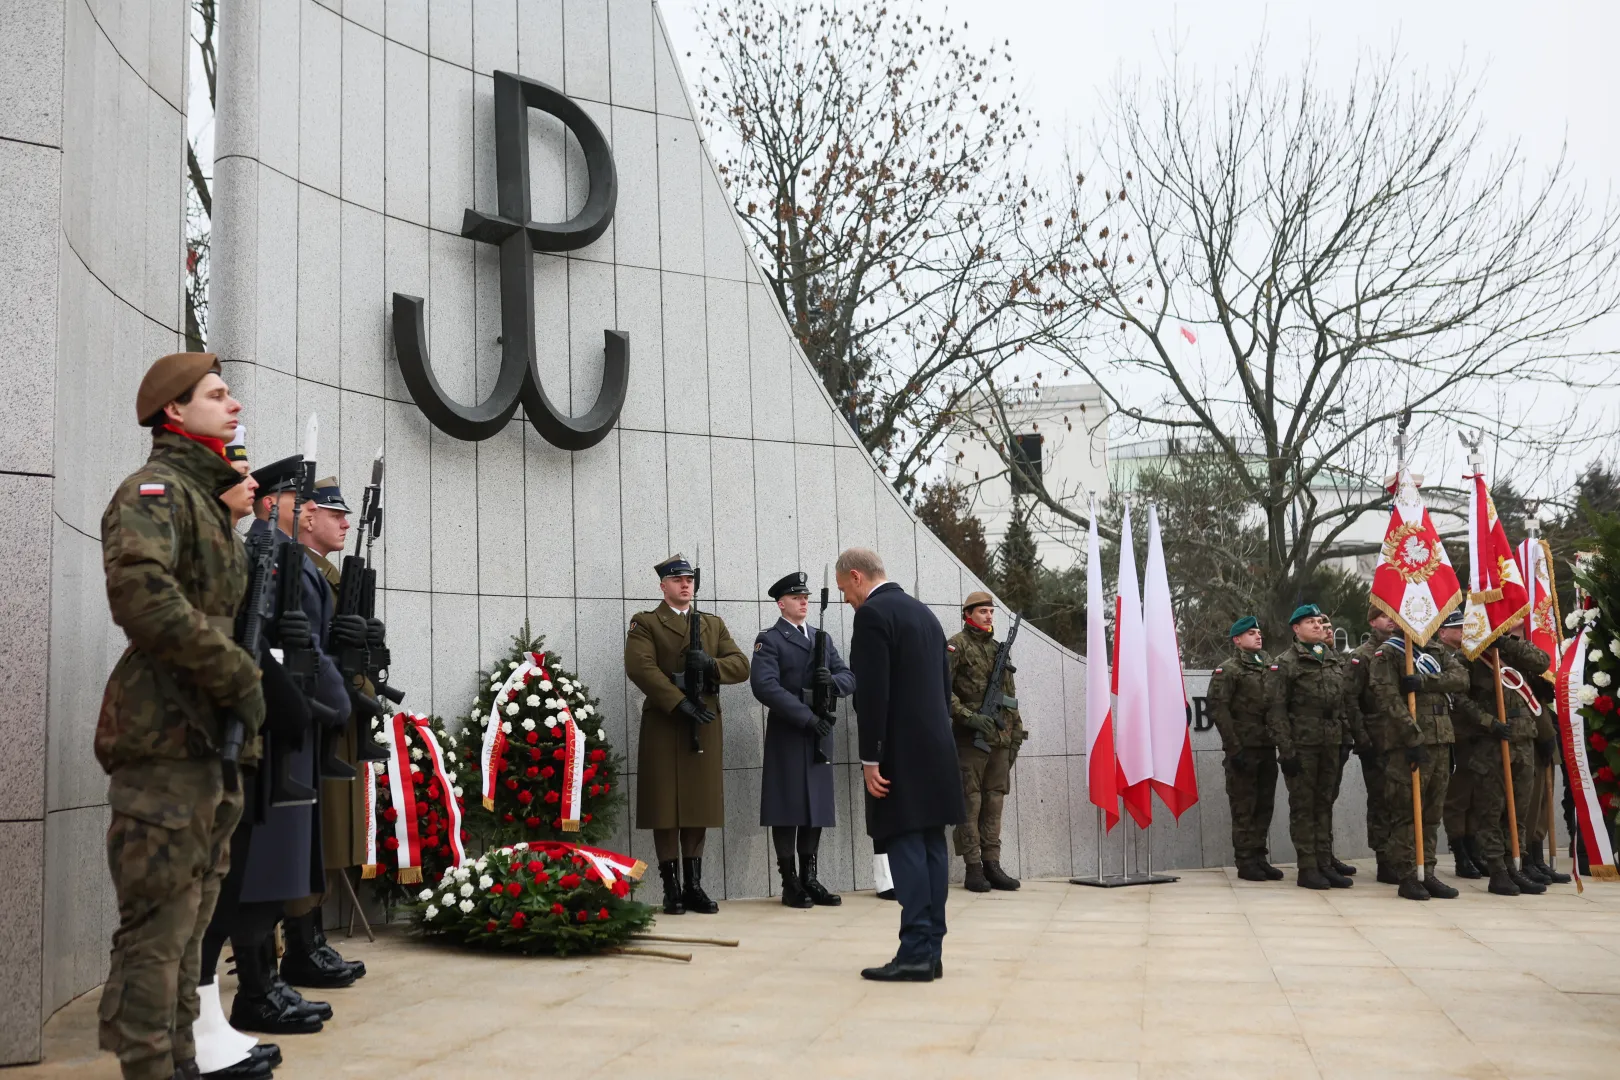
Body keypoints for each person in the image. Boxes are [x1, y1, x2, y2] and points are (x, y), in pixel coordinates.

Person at [98, 353, 265, 1080]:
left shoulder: (206, 504)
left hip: (207, 743)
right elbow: (142, 596)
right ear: (174, 411)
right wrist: (237, 675)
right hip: (164, 737)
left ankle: (180, 1062)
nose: (233, 405)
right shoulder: (154, 491)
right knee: (156, 933)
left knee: (192, 924)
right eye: (216, 395)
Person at [223, 455, 352, 1035]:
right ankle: (257, 985)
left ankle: (268, 980)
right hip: (273, 723)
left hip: (295, 721)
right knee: (265, 865)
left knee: (284, 862)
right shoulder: (265, 554)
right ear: (278, 505)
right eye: (308, 502)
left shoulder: (291, 559)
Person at [838, 547, 966, 982]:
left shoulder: (873, 616)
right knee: (932, 845)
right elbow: (942, 686)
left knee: (905, 844)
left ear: (856, 577)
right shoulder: (924, 614)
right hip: (936, 749)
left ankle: (913, 950)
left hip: (899, 753)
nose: (847, 601)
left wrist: (871, 758)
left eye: (844, 591)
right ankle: (931, 949)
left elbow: (872, 695)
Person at [280, 477, 372, 987]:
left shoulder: (331, 574)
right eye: (333, 514)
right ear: (307, 517)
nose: (344, 523)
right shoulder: (297, 567)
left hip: (334, 707)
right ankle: (301, 940)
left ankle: (310, 937)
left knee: (323, 831)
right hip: (310, 709)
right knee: (307, 832)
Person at [625, 555, 750, 915]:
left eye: (689, 579)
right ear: (662, 585)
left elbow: (741, 665)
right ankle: (671, 888)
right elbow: (641, 667)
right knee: (665, 806)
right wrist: (679, 702)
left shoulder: (711, 624)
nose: (684, 584)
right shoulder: (645, 622)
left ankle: (694, 885)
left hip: (705, 722)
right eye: (677, 579)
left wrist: (711, 664)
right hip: (666, 722)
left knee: (698, 804)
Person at [751, 571, 857, 907]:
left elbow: (849, 676)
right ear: (782, 604)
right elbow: (765, 686)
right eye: (797, 598)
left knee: (815, 808)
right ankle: (790, 882)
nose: (804, 602)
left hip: (819, 733)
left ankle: (810, 878)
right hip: (791, 732)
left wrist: (832, 683)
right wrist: (806, 716)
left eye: (806, 597)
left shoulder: (820, 637)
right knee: (788, 809)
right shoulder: (771, 640)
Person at [1367, 609, 1469, 900]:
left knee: (1432, 813)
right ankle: (1408, 875)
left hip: (1441, 739)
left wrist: (1424, 682)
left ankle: (1428, 871)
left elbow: (1461, 678)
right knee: (1407, 812)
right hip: (1408, 742)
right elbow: (1388, 699)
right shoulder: (1388, 653)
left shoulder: (1436, 650)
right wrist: (1412, 737)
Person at [1265, 604, 1356, 890]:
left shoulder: (1330, 657)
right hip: (1302, 745)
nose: (1318, 626)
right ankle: (1307, 868)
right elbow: (1276, 710)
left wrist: (1344, 739)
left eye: (1319, 621)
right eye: (1310, 622)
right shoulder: (1286, 662)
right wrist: (1287, 750)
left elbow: (1340, 702)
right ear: (1296, 629)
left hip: (1330, 741)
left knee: (1324, 803)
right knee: (1304, 806)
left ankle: (1324, 863)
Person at [1460, 620, 1552, 894]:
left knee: (1519, 811)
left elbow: (1543, 662)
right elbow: (1461, 699)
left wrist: (1507, 643)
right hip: (1492, 741)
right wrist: (1488, 722)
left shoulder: (1512, 650)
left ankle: (1515, 865)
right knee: (1492, 810)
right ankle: (1497, 871)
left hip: (1523, 737)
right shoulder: (1471, 656)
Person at [946, 592, 1026, 892]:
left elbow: (1009, 695)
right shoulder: (956, 645)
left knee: (994, 799)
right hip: (970, 738)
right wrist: (968, 716)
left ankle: (993, 862)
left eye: (991, 611)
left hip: (999, 736)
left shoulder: (998, 649)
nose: (989, 616)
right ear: (968, 614)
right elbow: (943, 689)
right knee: (972, 800)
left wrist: (1015, 732)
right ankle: (974, 866)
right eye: (982, 611)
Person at [1207, 616, 1282, 881]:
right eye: (1251, 633)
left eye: (1259, 632)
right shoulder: (1228, 670)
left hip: (1266, 747)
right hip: (1244, 749)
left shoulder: (1271, 666)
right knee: (1244, 807)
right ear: (1237, 640)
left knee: (1264, 806)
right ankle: (1246, 861)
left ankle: (1260, 857)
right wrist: (1233, 747)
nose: (1258, 637)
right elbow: (1218, 708)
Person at [1351, 611, 1398, 883]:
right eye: (1383, 615)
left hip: (1401, 739)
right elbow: (1351, 700)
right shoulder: (1362, 656)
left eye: (1393, 614)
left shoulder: (1403, 651)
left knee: (1400, 799)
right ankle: (1384, 858)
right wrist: (1362, 739)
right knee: (1381, 800)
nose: (1390, 619)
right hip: (1376, 739)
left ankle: (1402, 854)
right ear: (1372, 622)